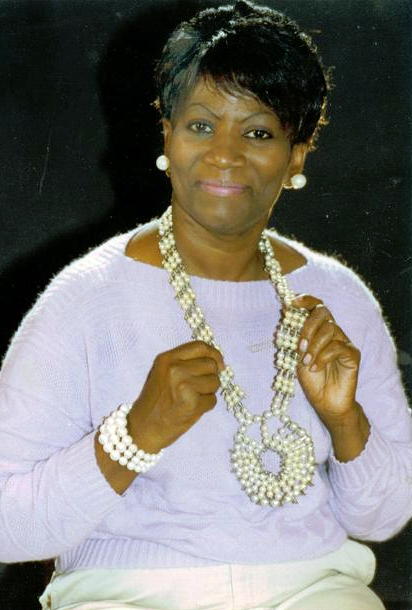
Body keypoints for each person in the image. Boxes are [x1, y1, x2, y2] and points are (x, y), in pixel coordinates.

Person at [0, 1, 411, 608]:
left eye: (258, 132)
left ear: (296, 155)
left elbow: (383, 517)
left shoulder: (337, 297)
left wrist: (345, 419)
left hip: (313, 587)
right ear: (166, 134)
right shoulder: (84, 299)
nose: (225, 154)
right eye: (200, 125)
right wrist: (134, 435)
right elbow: (8, 526)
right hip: (127, 594)